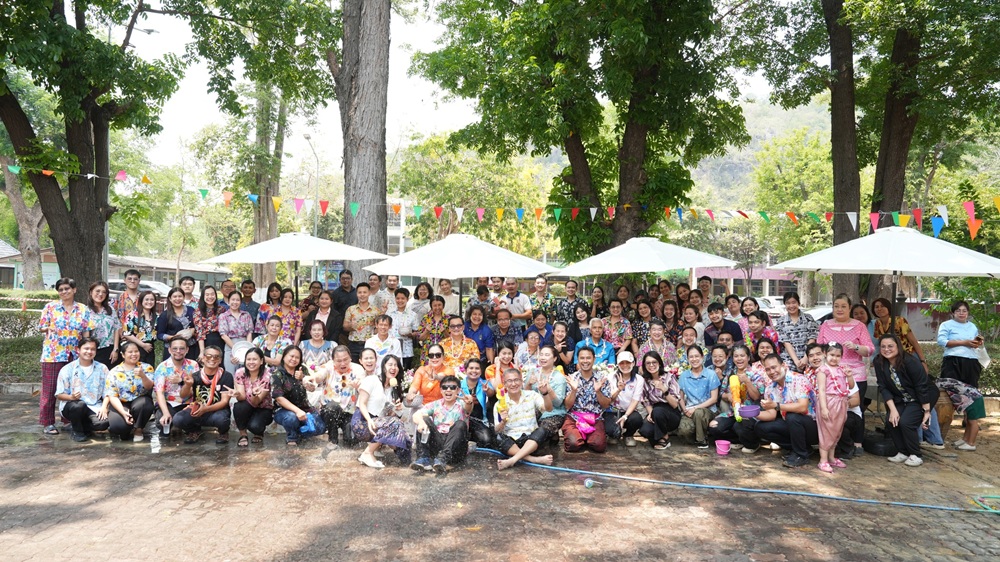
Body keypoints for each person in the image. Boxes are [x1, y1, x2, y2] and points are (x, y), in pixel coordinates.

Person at [747, 354, 819, 467]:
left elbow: (802, 407)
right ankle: (802, 448)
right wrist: (752, 413)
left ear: (784, 365)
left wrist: (777, 405)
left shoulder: (799, 379)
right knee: (760, 427)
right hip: (792, 425)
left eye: (774, 367)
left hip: (814, 427)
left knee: (792, 416)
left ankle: (801, 455)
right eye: (768, 369)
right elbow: (771, 415)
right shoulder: (770, 387)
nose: (772, 372)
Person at [874, 335, 934, 467]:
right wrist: (893, 410)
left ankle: (916, 454)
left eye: (890, 346)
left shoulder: (910, 361)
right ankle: (903, 451)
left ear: (898, 346)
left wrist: (926, 411)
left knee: (906, 422)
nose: (886, 349)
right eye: (883, 347)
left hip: (920, 397)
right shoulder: (879, 362)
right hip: (900, 398)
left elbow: (921, 386)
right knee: (891, 421)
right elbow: (883, 387)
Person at [353, 354, 411, 468]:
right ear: (383, 367)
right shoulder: (372, 380)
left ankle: (392, 449)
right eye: (390, 365)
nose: (393, 368)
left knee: (406, 446)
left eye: (396, 365)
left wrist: (396, 410)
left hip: (379, 423)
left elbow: (389, 417)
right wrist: (369, 420)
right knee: (395, 423)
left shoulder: (394, 389)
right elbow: (362, 403)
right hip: (363, 422)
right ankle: (367, 453)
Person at [818, 294, 875, 408]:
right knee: (832, 408)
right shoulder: (825, 325)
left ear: (850, 308)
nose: (839, 309)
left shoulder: (859, 326)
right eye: (836, 306)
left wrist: (856, 347)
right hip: (831, 375)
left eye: (843, 306)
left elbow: (870, 350)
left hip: (855, 374)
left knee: (855, 409)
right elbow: (819, 348)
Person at [495, 367, 555, 470]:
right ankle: (534, 459)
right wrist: (503, 421)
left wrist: (545, 394)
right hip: (513, 443)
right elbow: (497, 430)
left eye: (516, 380)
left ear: (522, 381)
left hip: (531, 441)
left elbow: (549, 409)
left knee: (543, 430)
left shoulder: (532, 395)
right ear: (504, 384)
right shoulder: (500, 403)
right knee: (499, 438)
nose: (513, 384)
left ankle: (512, 460)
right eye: (509, 381)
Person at [411, 374, 473, 473]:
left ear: (458, 390)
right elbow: (416, 415)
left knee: (460, 424)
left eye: (452, 387)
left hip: (455, 447)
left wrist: (469, 402)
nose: (448, 390)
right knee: (424, 419)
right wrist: (421, 422)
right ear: (441, 390)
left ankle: (443, 458)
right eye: (445, 387)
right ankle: (424, 458)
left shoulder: (462, 404)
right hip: (439, 442)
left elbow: (468, 409)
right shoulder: (435, 404)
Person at [173, 345, 234, 445]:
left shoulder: (226, 376)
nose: (212, 359)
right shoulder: (195, 376)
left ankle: (223, 433)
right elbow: (183, 395)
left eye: (216, 357)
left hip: (217, 411)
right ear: (203, 358)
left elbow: (224, 401)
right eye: (209, 356)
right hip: (197, 410)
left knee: (222, 420)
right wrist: (187, 385)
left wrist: (206, 409)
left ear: (220, 360)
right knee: (178, 419)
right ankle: (194, 431)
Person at [707, 344, 764, 448]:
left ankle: (753, 444)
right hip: (733, 412)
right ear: (732, 358)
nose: (739, 359)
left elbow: (757, 397)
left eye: (742, 356)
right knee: (714, 426)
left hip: (749, 414)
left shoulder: (755, 374)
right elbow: (722, 393)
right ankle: (737, 441)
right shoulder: (730, 373)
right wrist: (728, 396)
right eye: (736, 356)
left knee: (739, 426)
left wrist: (747, 381)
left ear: (748, 357)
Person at [54, 338, 110, 442]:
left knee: (103, 424)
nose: (89, 351)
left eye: (93, 349)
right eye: (86, 348)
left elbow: (108, 391)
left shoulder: (102, 368)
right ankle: (77, 432)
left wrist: (104, 407)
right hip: (72, 405)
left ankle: (81, 426)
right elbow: (59, 394)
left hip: (93, 405)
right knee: (79, 406)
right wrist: (71, 397)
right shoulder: (68, 369)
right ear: (78, 350)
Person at [562, 347, 613, 453]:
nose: (585, 361)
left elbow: (606, 405)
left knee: (599, 445)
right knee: (573, 444)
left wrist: (598, 392)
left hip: (595, 418)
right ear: (578, 359)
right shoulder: (572, 378)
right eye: (582, 358)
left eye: (588, 358)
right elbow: (567, 405)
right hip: (574, 418)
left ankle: (586, 437)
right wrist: (574, 390)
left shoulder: (601, 379)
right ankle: (580, 437)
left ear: (594, 359)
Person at [271, 346, 326, 446]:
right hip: (283, 410)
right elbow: (279, 398)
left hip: (304, 408)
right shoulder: (277, 374)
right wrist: (297, 411)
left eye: (297, 357)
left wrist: (303, 378)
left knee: (321, 428)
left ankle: (300, 433)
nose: (294, 359)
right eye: (291, 356)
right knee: (291, 418)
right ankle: (292, 437)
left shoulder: (302, 369)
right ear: (284, 356)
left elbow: (312, 388)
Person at [314, 345, 366, 448]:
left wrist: (358, 384)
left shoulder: (358, 368)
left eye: (345, 359)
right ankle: (333, 439)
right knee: (331, 408)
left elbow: (361, 380)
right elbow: (318, 376)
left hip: (349, 411)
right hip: (330, 410)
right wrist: (314, 378)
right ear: (333, 361)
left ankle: (348, 436)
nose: (343, 363)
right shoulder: (328, 367)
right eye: (339, 361)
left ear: (350, 358)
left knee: (351, 440)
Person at [102, 342, 155, 442]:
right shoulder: (114, 372)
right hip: (121, 403)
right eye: (130, 352)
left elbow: (149, 387)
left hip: (140, 401)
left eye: (136, 351)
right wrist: (123, 412)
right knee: (118, 427)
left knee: (145, 404)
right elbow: (112, 395)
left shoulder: (146, 367)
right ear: (123, 355)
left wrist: (143, 376)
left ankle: (138, 429)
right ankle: (127, 429)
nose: (134, 354)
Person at [816, 343, 854, 473]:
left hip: (841, 402)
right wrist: (824, 408)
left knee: (837, 431)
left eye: (838, 356)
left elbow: (851, 386)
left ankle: (831, 458)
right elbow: (821, 390)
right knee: (827, 430)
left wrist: (849, 375)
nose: (834, 358)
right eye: (832, 355)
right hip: (828, 402)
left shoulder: (842, 369)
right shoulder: (823, 370)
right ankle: (823, 460)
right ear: (825, 354)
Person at [152, 338, 200, 437]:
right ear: (169, 350)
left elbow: (195, 389)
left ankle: (186, 427)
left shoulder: (193, 365)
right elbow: (159, 393)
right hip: (169, 403)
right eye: (175, 348)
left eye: (182, 348)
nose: (178, 351)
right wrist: (166, 413)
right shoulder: (162, 367)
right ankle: (174, 425)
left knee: (186, 422)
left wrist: (181, 381)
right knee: (163, 423)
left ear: (187, 350)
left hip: (188, 402)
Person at [637, 351, 682, 450]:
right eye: (648, 363)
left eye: (654, 362)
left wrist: (664, 390)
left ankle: (664, 437)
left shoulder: (669, 377)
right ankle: (660, 435)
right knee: (645, 431)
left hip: (671, 412)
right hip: (655, 411)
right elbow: (646, 401)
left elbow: (675, 404)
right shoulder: (644, 381)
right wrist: (650, 413)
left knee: (658, 411)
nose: (651, 365)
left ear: (660, 363)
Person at [524, 345, 569, 445]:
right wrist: (529, 384)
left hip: (553, 412)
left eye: (547, 355)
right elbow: (524, 395)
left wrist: (549, 390)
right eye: (541, 354)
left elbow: (558, 403)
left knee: (541, 431)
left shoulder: (559, 377)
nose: (543, 357)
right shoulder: (532, 372)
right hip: (534, 410)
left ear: (554, 358)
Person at [677, 346, 720, 447]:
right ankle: (698, 436)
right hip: (689, 410)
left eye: (697, 356)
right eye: (691, 357)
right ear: (687, 359)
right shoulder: (684, 376)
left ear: (702, 357)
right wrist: (685, 410)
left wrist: (695, 408)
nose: (694, 359)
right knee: (684, 431)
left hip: (708, 410)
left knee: (699, 412)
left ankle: (702, 440)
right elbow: (680, 397)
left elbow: (714, 399)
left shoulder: (711, 374)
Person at [936, 300, 983, 388]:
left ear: (968, 313)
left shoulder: (972, 326)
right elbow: (941, 341)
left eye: (964, 311)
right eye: (958, 310)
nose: (961, 313)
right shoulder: (946, 325)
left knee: (971, 389)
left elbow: (974, 343)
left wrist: (977, 343)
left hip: (971, 361)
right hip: (952, 360)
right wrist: (964, 342)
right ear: (953, 313)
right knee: (951, 389)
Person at [231, 347, 273, 447]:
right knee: (239, 406)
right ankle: (243, 435)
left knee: (255, 426)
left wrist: (254, 394)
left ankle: (258, 433)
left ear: (261, 361)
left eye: (254, 359)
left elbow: (256, 402)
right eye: (248, 359)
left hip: (263, 407)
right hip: (247, 405)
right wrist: (237, 394)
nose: (251, 362)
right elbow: (242, 398)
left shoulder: (267, 375)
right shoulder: (240, 372)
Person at [871, 297, 928, 369]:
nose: (879, 309)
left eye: (882, 306)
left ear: (888, 307)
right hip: (892, 358)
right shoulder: (877, 323)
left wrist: (922, 361)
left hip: (907, 355)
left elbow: (913, 341)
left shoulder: (899, 320)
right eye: (876, 307)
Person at [604, 351, 644, 446]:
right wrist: (618, 389)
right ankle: (613, 435)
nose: (625, 365)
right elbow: (609, 400)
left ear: (633, 363)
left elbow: (635, 400)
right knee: (611, 430)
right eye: (622, 363)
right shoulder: (611, 377)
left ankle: (628, 435)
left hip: (629, 411)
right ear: (618, 365)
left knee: (637, 419)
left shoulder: (639, 379)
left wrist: (625, 416)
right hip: (612, 411)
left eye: (628, 362)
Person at [937, 377, 986, 451]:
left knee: (972, 421)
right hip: (972, 398)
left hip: (973, 399)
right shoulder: (943, 381)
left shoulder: (939, 383)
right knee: (969, 421)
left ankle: (971, 444)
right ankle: (965, 440)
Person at [776, 292, 819, 372]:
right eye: (788, 303)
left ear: (798, 303)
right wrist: (796, 361)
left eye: (794, 302)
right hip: (788, 360)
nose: (791, 306)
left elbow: (812, 338)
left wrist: (805, 358)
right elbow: (786, 342)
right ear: (785, 304)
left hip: (808, 358)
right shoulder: (781, 321)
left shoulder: (808, 318)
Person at [460, 357, 495, 448]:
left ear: (481, 371)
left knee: (487, 440)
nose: (474, 371)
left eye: (477, 368)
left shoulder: (484, 383)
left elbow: (491, 393)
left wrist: (487, 390)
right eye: (471, 368)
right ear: (465, 370)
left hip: (479, 420)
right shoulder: (459, 384)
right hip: (461, 419)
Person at [157, 287, 198, 361]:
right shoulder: (165, 315)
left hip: (190, 348)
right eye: (175, 297)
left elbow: (198, 326)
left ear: (183, 297)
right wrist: (173, 337)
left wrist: (193, 330)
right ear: (170, 299)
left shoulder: (191, 310)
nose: (177, 299)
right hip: (173, 349)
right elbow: (160, 335)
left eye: (180, 296)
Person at [217, 290, 254, 374]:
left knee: (246, 373)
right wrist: (236, 349)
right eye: (233, 299)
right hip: (230, 346)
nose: (235, 302)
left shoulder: (246, 315)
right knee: (230, 373)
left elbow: (249, 332)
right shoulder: (223, 316)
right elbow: (223, 335)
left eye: (237, 300)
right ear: (228, 301)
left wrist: (248, 348)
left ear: (241, 302)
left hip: (245, 345)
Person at [87, 281, 121, 368]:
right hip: (94, 350)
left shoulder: (110, 310)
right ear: (91, 292)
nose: (100, 294)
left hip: (110, 350)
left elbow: (116, 328)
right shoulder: (85, 311)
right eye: (97, 291)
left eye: (104, 292)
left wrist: (115, 349)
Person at [122, 290, 158, 366]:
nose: (149, 302)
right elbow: (126, 333)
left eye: (152, 300)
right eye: (146, 299)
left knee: (149, 370)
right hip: (135, 347)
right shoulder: (133, 315)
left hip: (150, 348)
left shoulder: (156, 317)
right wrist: (143, 345)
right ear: (141, 301)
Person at [386, 288, 418, 369]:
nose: (400, 301)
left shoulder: (413, 315)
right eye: (398, 298)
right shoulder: (389, 313)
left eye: (403, 298)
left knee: (405, 372)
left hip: (407, 349)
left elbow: (417, 332)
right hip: (391, 348)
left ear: (407, 299)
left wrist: (411, 334)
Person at [418, 295, 449, 365]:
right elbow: (420, 338)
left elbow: (451, 339)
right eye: (435, 305)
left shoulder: (448, 319)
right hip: (427, 352)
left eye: (439, 305)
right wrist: (426, 331)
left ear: (443, 305)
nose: (437, 308)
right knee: (427, 371)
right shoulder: (426, 318)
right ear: (431, 306)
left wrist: (444, 331)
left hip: (443, 352)